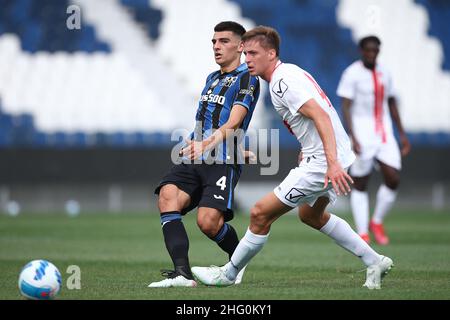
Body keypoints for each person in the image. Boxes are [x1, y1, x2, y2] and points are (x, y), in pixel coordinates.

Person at [192, 26, 393, 290]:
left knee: (260, 213)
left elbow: (320, 115)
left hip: (323, 161)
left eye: (253, 53)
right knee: (310, 215)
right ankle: (375, 260)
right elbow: (315, 116)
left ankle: (228, 274)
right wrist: (310, 146)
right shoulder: (289, 73)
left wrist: (330, 163)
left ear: (271, 53)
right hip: (328, 154)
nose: (247, 59)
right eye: (245, 53)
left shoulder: (282, 82)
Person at [149, 21, 260, 288]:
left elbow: (234, 121)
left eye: (223, 41)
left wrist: (215, 146)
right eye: (213, 42)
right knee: (167, 197)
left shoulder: (248, 78)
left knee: (208, 222)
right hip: (197, 155)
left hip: (221, 161)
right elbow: (204, 120)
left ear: (241, 46)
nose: (216, 46)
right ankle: (182, 274)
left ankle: (236, 261)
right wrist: (193, 141)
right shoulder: (212, 78)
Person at [337, 36, 411, 245]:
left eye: (375, 51)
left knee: (393, 178)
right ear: (362, 51)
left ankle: (376, 221)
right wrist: (353, 136)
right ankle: (362, 232)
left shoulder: (385, 72)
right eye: (368, 50)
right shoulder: (352, 73)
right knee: (361, 182)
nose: (372, 54)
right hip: (362, 131)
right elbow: (346, 107)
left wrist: (402, 134)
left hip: (384, 132)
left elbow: (392, 103)